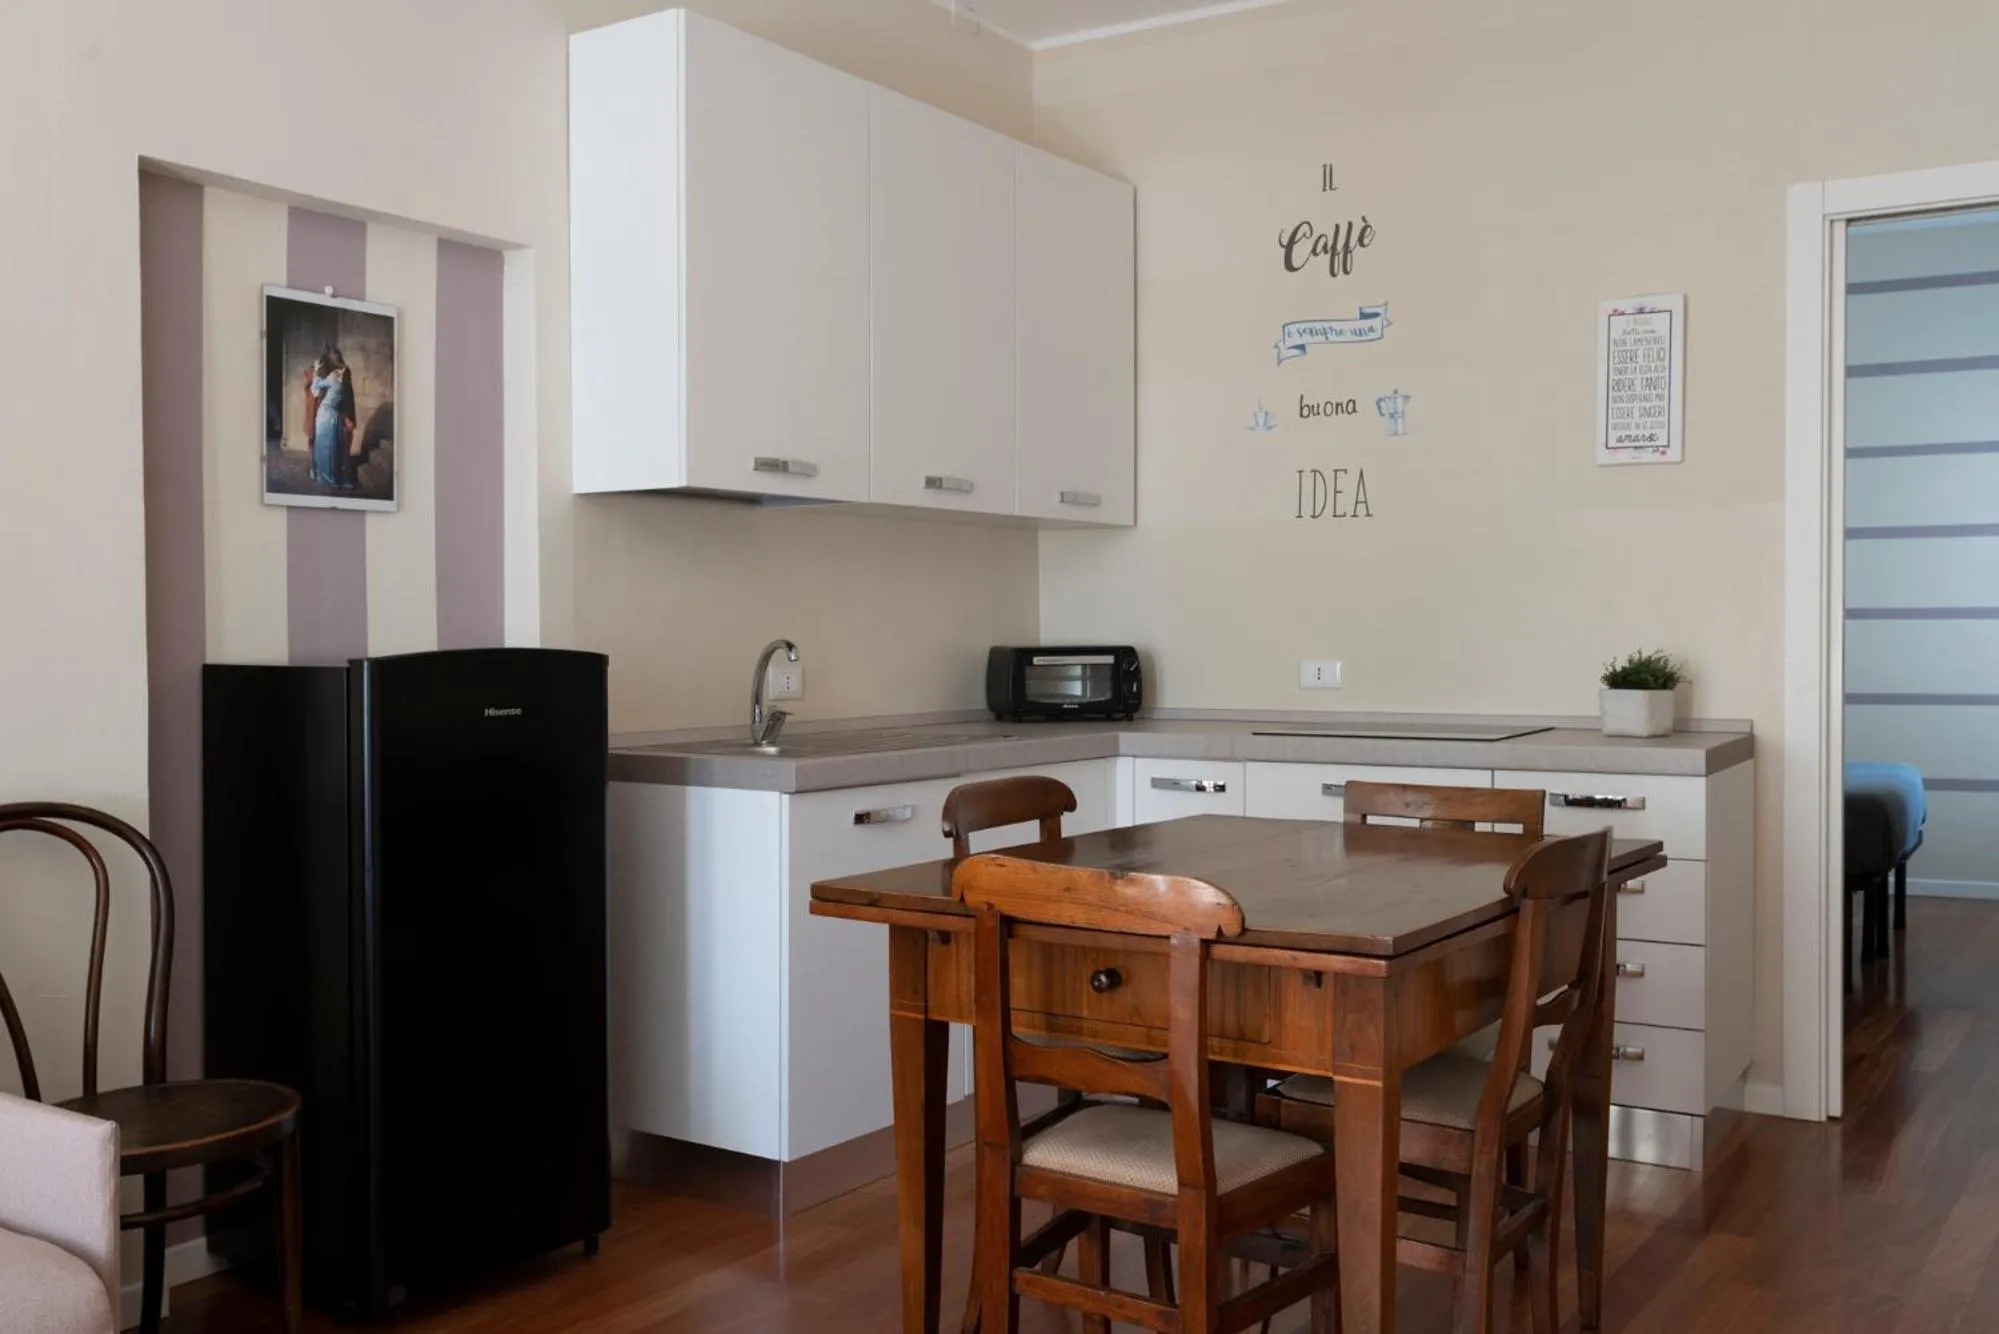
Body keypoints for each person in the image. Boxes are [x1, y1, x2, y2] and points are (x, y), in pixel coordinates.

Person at [309, 350, 349, 487]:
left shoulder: (342, 373)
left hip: (334, 414)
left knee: (334, 445)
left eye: (338, 357)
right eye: (335, 358)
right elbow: (315, 390)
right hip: (326, 413)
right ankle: (326, 477)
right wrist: (316, 370)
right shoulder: (332, 376)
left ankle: (334, 476)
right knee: (326, 446)